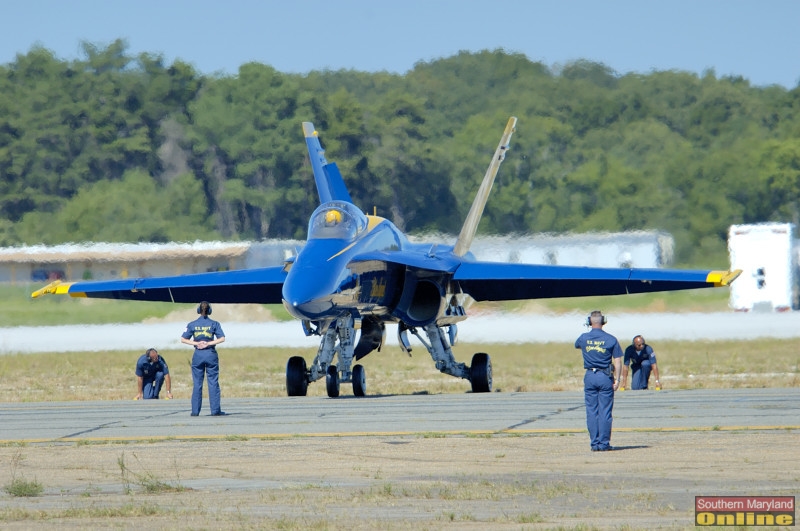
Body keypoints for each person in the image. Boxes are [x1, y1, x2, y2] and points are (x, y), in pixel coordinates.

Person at [574, 310, 623, 452]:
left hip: (590, 376)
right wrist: (618, 379)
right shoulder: (611, 339)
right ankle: (604, 443)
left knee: (591, 411)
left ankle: (594, 444)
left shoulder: (584, 338)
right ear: (603, 321)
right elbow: (618, 361)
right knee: (605, 411)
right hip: (605, 376)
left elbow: (577, 345)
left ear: (590, 322)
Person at [181, 301, 226, 416]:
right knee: (213, 382)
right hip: (210, 354)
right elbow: (222, 338)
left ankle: (195, 411)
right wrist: (209, 343)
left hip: (198, 355)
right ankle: (215, 411)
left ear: (198, 310)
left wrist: (196, 343)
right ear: (209, 310)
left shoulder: (192, 324)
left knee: (197, 383)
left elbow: (183, 339)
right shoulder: (214, 324)